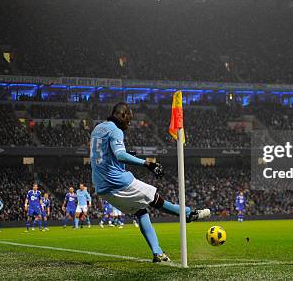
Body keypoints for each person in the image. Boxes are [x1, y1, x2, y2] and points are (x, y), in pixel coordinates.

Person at [90, 102, 210, 263]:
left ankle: (157, 252)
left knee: (141, 211)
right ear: (122, 114)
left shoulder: (97, 129)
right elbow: (119, 155)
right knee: (154, 197)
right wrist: (147, 163)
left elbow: (105, 155)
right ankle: (188, 214)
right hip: (116, 181)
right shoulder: (116, 130)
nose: (129, 123)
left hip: (101, 186)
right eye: (129, 119)